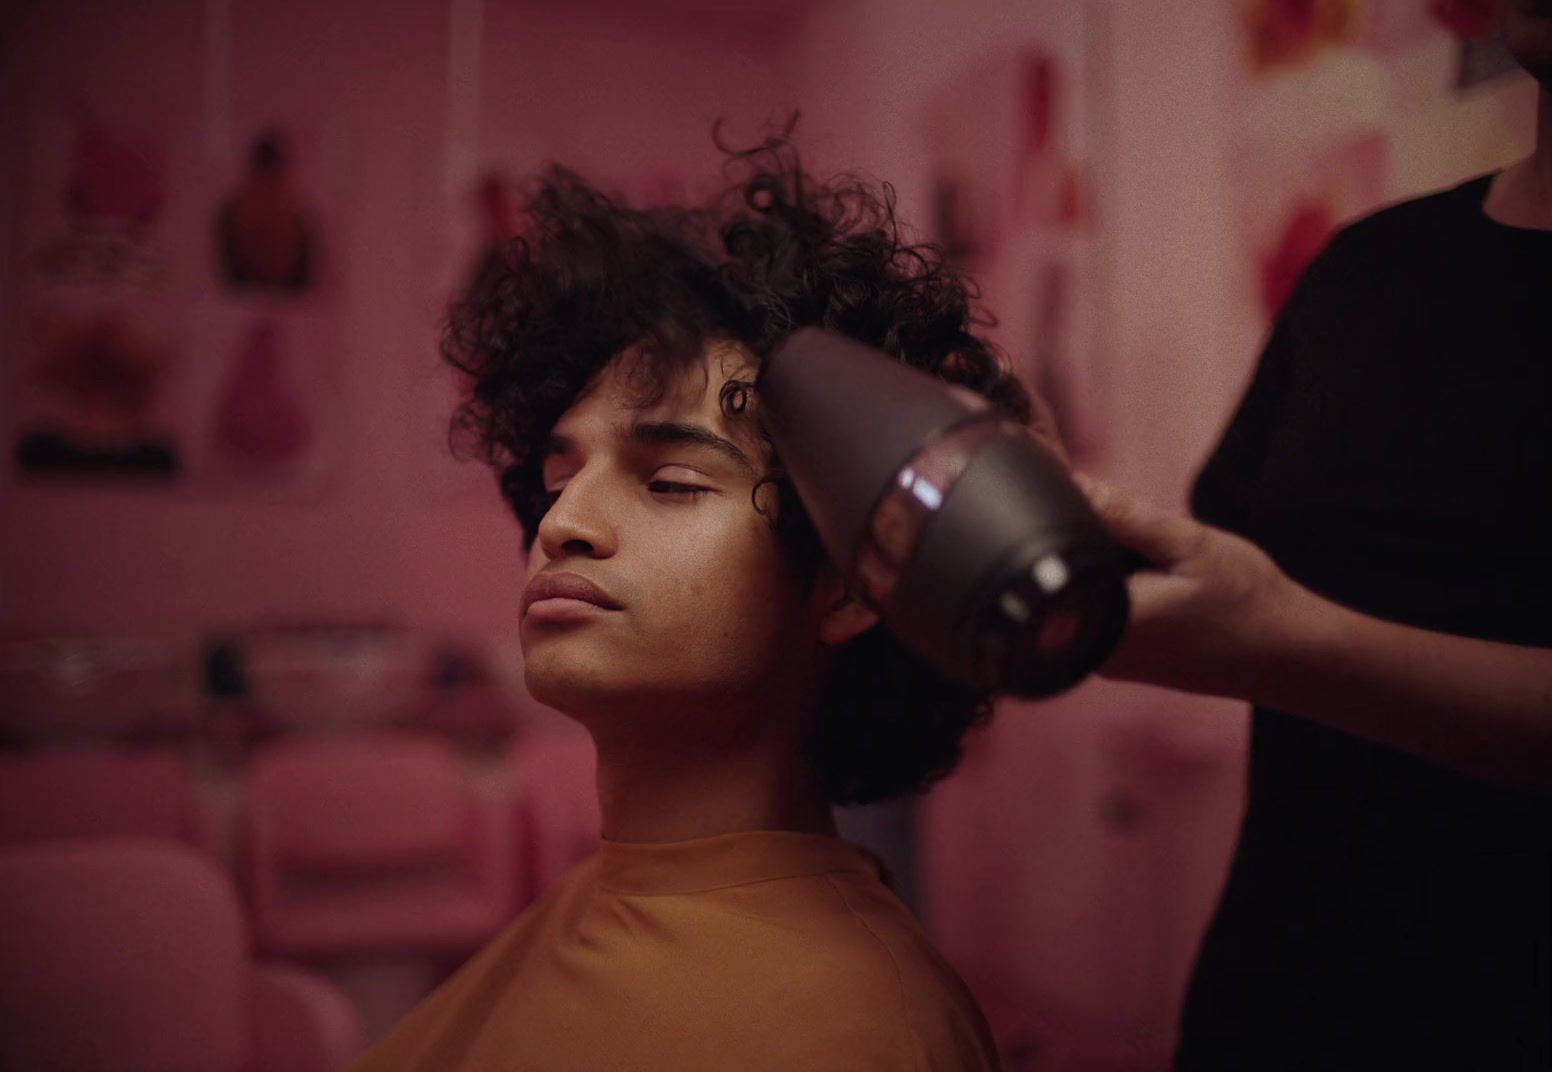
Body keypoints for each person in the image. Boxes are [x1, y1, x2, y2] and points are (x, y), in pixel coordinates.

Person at [347, 135, 1048, 1071]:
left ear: (845, 584)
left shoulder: (856, 1031)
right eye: (559, 479)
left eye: (671, 481)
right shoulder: (585, 910)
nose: (563, 525)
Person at [1078, 7, 1552, 1068]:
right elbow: (1232, 555)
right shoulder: (1366, 269)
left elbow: (1273, 622)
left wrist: (1290, 644)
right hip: (1278, 996)